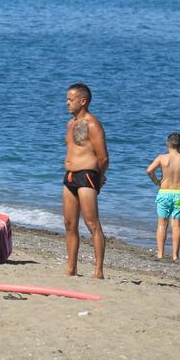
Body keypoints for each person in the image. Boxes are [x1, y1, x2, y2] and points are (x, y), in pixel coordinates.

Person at [62, 82, 108, 279]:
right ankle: (71, 268)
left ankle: (98, 271)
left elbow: (103, 157)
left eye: (71, 100)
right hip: (69, 176)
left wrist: (98, 177)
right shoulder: (71, 123)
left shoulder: (92, 124)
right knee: (69, 224)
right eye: (67, 99)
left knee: (92, 224)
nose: (67, 103)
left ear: (83, 101)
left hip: (87, 175)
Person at [145, 132, 180, 262]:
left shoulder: (162, 158)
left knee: (162, 223)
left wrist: (156, 182)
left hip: (164, 192)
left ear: (167, 144)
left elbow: (149, 170)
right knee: (176, 225)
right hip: (179, 194)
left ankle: (160, 253)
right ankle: (175, 256)